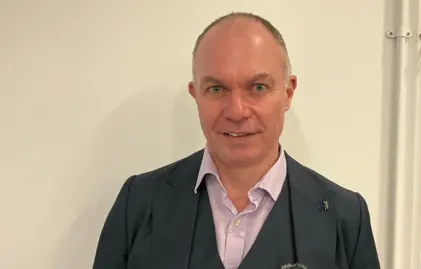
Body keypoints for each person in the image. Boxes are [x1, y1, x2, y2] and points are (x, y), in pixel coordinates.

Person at [92, 12, 381, 269]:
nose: (237, 111)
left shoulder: (345, 217)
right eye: (217, 89)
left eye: (257, 87)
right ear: (196, 95)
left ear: (288, 92)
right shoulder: (140, 203)